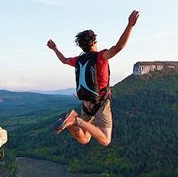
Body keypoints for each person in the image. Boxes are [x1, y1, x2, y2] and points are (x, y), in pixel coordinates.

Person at [46, 10, 140, 147]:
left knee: (84, 139)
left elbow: (64, 60)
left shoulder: (79, 60)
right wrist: (130, 25)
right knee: (105, 140)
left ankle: (72, 122)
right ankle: (75, 120)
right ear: (94, 42)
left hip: (86, 103)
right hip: (100, 102)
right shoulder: (100, 57)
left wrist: (54, 48)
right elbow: (119, 47)